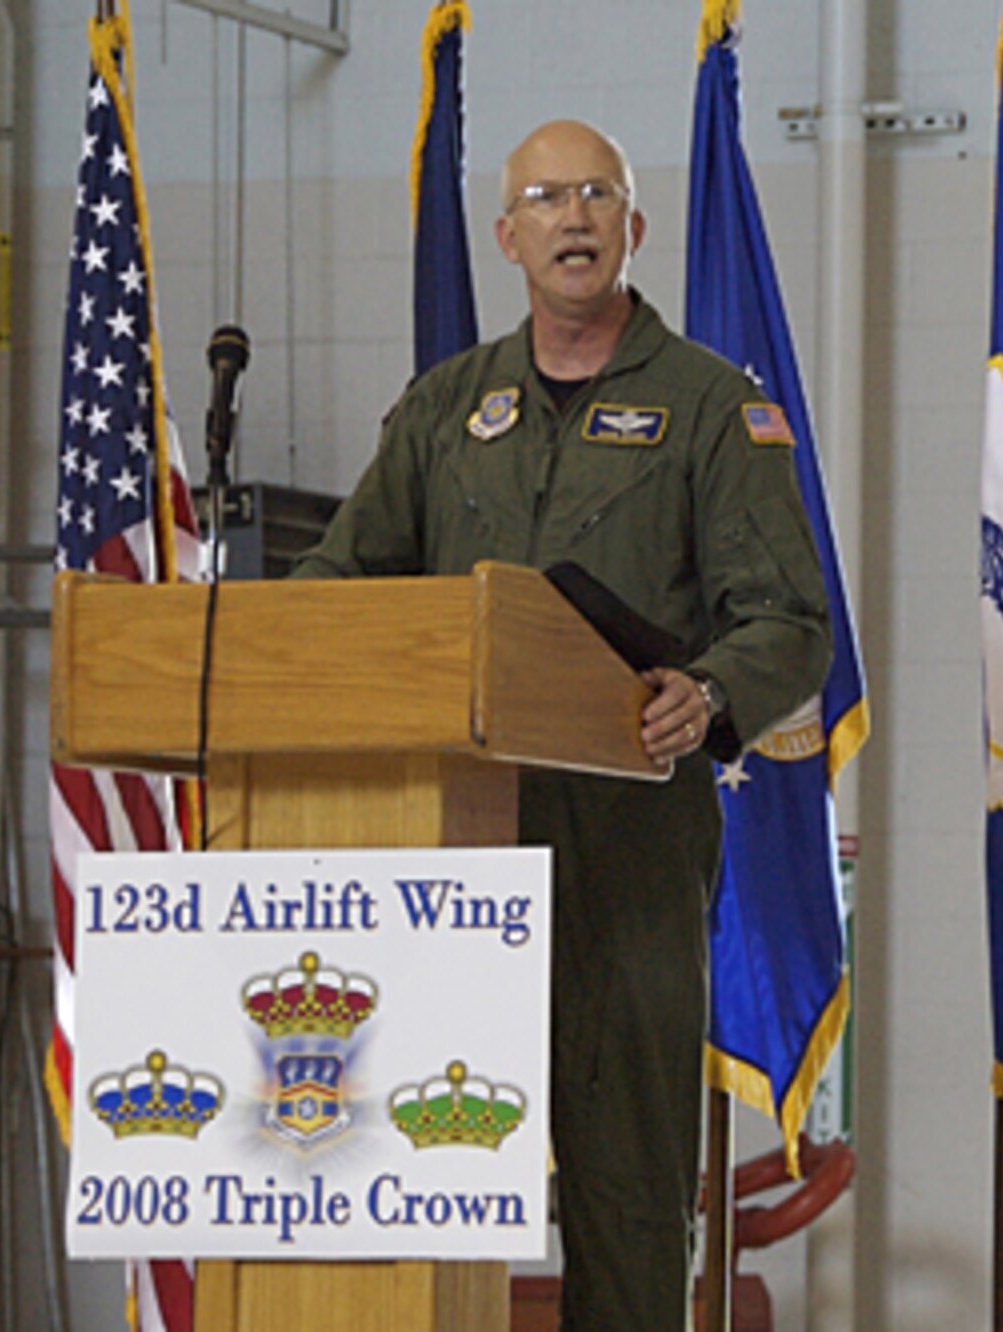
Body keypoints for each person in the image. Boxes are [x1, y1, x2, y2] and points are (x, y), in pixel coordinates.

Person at [295, 119, 832, 1328]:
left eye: (596, 195)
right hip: (448, 846)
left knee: (627, 1194)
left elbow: (791, 618)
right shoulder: (445, 409)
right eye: (545, 199)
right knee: (411, 1159)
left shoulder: (712, 408)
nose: (572, 218)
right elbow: (342, 581)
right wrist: (255, 641)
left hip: (624, 852)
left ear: (632, 227)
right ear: (508, 236)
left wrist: (711, 691)